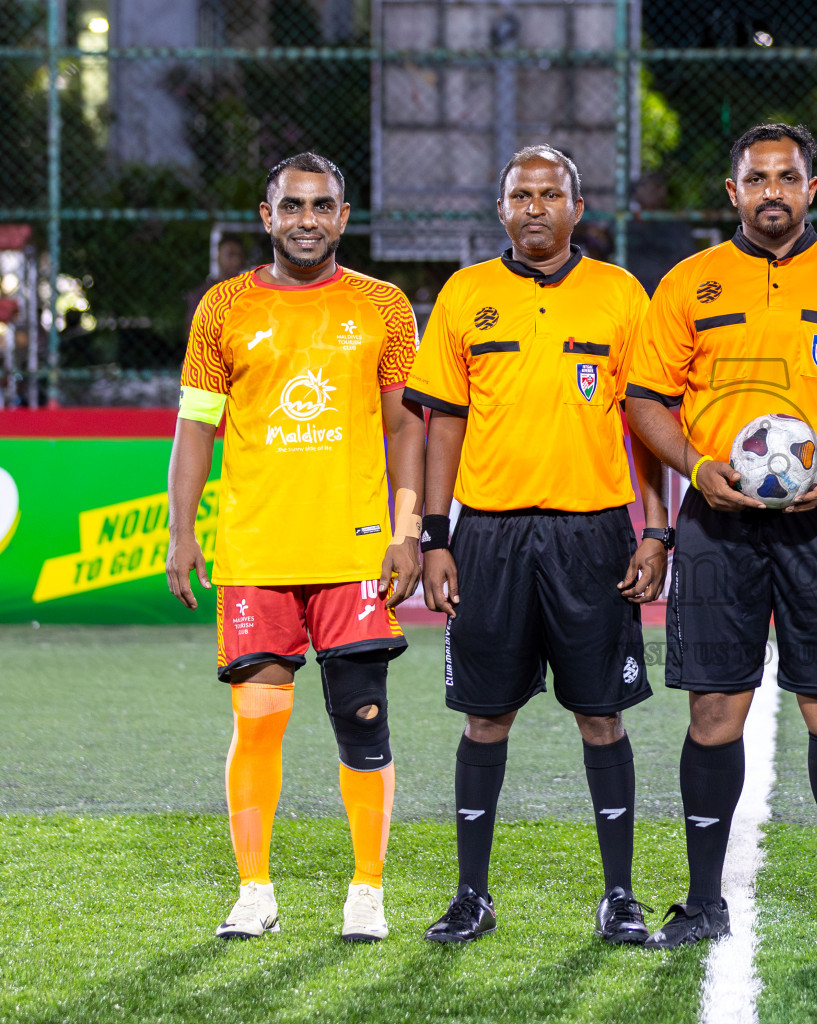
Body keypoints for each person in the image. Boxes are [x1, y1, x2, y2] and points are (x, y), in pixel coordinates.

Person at [624, 123, 817, 952]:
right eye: (756, 179)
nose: (771, 192)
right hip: (719, 524)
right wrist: (695, 460)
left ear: (811, 188)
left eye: (786, 177)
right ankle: (701, 901)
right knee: (716, 710)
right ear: (732, 192)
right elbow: (645, 398)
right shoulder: (689, 284)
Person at [404, 145, 668, 945]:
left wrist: (656, 530)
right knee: (486, 719)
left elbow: (648, 425)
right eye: (520, 193)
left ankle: (619, 895)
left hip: (593, 534)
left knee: (602, 718)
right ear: (501, 209)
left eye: (550, 194)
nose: (534, 207)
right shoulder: (465, 295)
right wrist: (435, 536)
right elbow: (440, 424)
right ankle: (471, 896)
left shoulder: (621, 296)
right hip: (487, 536)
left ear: (577, 209)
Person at [166, 151, 424, 942]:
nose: (306, 219)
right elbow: (196, 427)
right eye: (292, 206)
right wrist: (182, 532)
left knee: (363, 718)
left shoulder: (383, 307)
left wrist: (408, 529)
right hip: (257, 553)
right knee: (257, 722)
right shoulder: (223, 308)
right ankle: (254, 892)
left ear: (344, 218)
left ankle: (367, 892)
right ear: (266, 215)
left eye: (322, 206)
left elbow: (405, 425)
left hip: (352, 554)